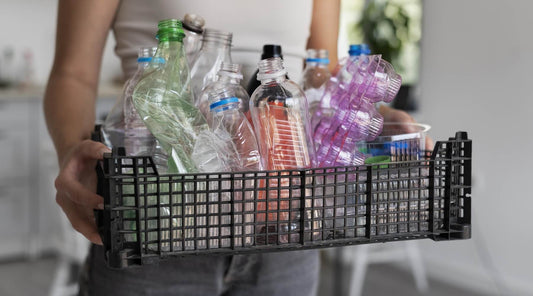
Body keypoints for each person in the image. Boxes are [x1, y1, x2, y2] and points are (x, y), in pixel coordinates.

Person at [44, 0, 420, 295]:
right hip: (158, 223)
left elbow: (324, 75)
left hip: (285, 227)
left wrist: (378, 117)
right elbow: (71, 74)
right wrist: (73, 151)